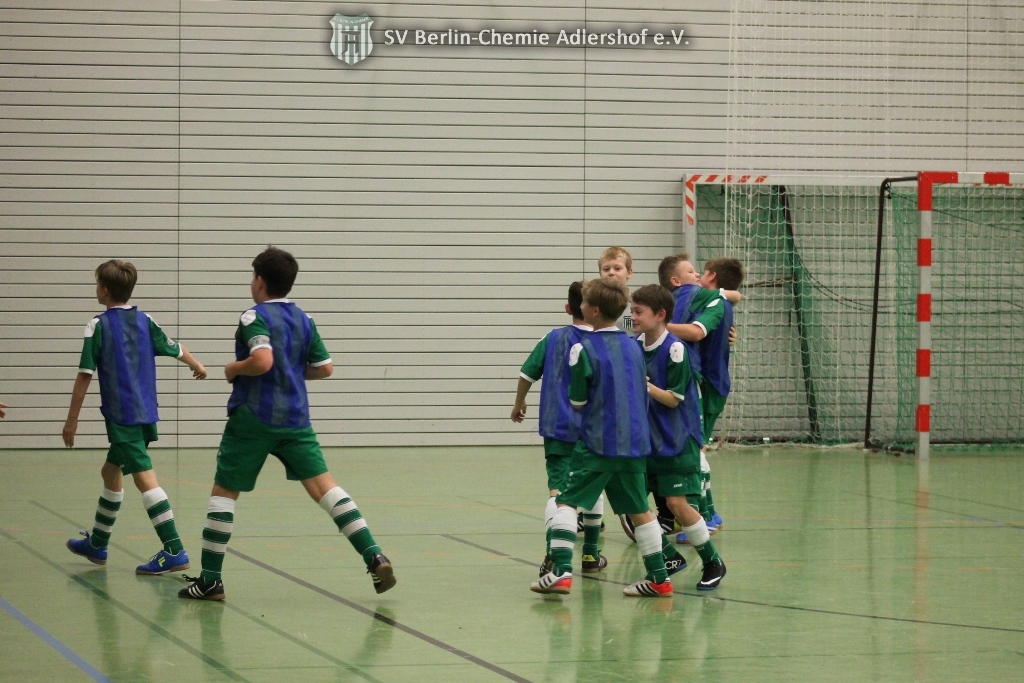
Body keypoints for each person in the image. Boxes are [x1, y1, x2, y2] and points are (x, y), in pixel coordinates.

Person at [179, 246, 394, 601]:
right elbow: (325, 368)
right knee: (325, 488)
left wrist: (233, 369)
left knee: (224, 492)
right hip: (295, 419)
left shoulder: (253, 316)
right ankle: (374, 555)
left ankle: (210, 580)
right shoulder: (304, 319)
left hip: (253, 417)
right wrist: (292, 371)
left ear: (260, 281)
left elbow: (262, 361)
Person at [63, 259, 207, 575]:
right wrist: (196, 364)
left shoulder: (98, 326)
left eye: (97, 284)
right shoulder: (145, 320)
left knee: (145, 479)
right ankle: (98, 544)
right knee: (110, 471)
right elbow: (175, 348)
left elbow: (84, 375)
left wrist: (71, 420)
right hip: (146, 412)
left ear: (104, 290)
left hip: (121, 416)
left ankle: (175, 550)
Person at [531, 278, 672, 598]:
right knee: (640, 510)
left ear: (594, 311)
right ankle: (659, 579)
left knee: (566, 501)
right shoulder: (635, 346)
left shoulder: (582, 348)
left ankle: (561, 571)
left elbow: (578, 401)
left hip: (598, 442)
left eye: (583, 303)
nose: (580, 306)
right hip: (634, 443)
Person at [630, 284, 727, 591]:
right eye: (631, 311)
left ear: (660, 315)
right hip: (647, 440)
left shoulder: (675, 349)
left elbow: (674, 399)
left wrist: (644, 386)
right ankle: (669, 557)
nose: (633, 317)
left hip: (676, 438)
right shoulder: (634, 346)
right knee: (631, 499)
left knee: (676, 503)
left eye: (638, 312)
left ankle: (713, 561)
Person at [512, 282, 607, 576]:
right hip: (594, 430)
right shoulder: (607, 340)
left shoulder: (552, 338)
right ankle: (590, 555)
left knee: (557, 491)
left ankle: (552, 554)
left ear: (568, 308)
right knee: (594, 488)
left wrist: (519, 402)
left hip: (557, 428)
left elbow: (526, 373)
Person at [668, 258, 745, 542]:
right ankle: (708, 513)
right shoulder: (704, 299)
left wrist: (657, 326)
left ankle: (702, 518)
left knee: (693, 451)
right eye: (691, 270)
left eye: (699, 271)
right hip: (711, 381)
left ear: (710, 276)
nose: (697, 273)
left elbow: (697, 331)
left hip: (706, 384)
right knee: (695, 450)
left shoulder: (709, 299)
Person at [598, 246, 636, 338]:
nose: (611, 272)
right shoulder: (593, 304)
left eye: (617, 268)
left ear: (629, 273)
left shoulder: (638, 304)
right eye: (606, 269)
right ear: (600, 273)